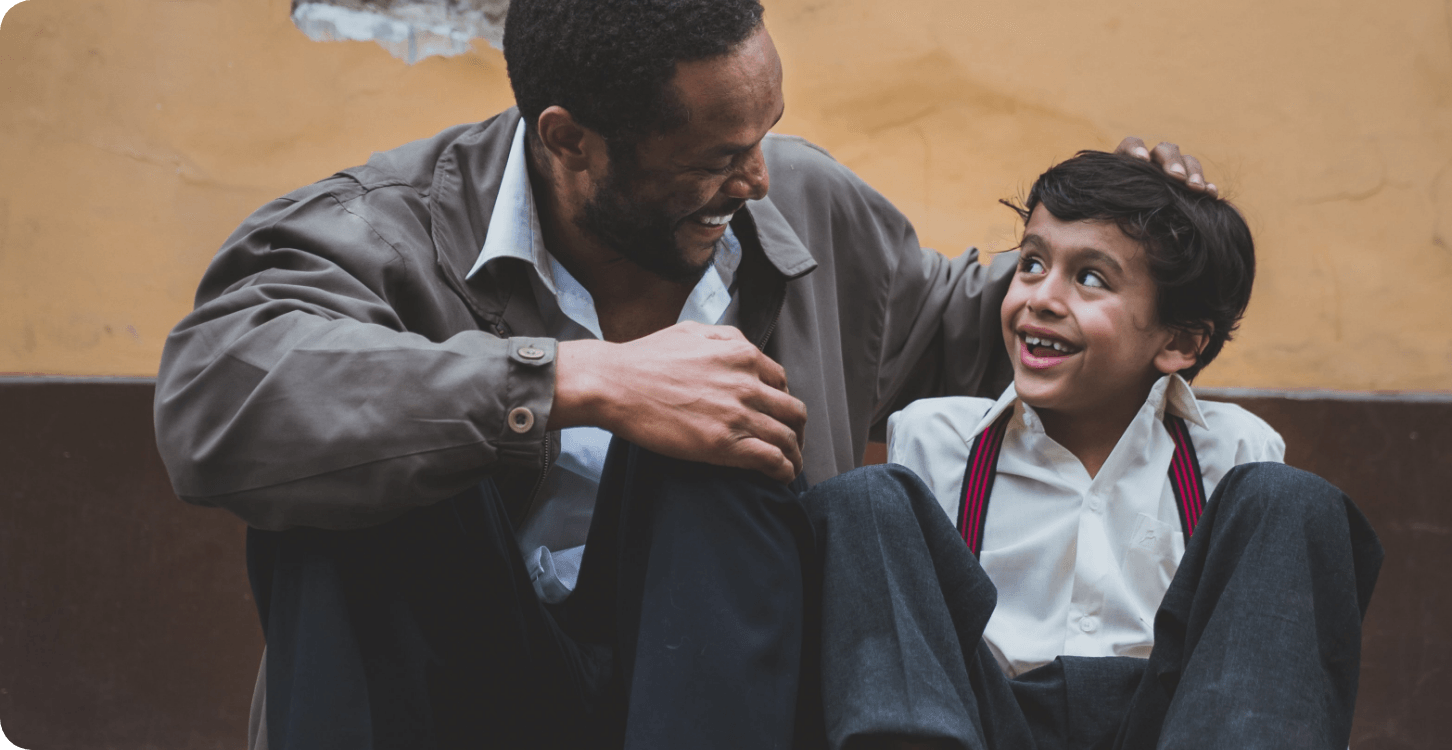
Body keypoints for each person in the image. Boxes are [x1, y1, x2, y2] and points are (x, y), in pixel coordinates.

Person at [152, 0, 1217, 747]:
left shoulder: (798, 203)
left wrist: (1125, 255)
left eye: (765, 137)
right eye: (715, 157)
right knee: (363, 483)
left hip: (729, 694)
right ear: (570, 141)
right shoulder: (377, 231)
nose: (754, 179)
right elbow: (220, 395)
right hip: (455, 690)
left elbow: (965, 328)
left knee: (727, 425)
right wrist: (578, 380)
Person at [801, 151, 1384, 750]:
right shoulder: (939, 437)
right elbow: (919, 646)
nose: (1041, 297)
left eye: (1090, 278)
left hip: (1171, 729)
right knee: (864, 498)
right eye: (1031, 263)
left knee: (1290, 498)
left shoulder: (1233, 449)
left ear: (1180, 341)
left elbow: (1243, 651)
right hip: (980, 726)